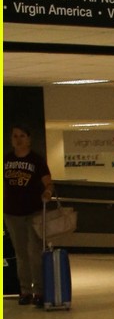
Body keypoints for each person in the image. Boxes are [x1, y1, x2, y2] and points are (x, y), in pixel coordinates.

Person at [3, 124, 53, 306]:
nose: (18, 139)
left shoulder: (36, 160)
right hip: (12, 212)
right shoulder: (6, 159)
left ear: (29, 139)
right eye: (15, 136)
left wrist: (47, 192)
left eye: (22, 136)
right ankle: (25, 290)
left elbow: (48, 183)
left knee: (35, 252)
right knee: (21, 253)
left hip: (34, 211)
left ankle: (39, 291)